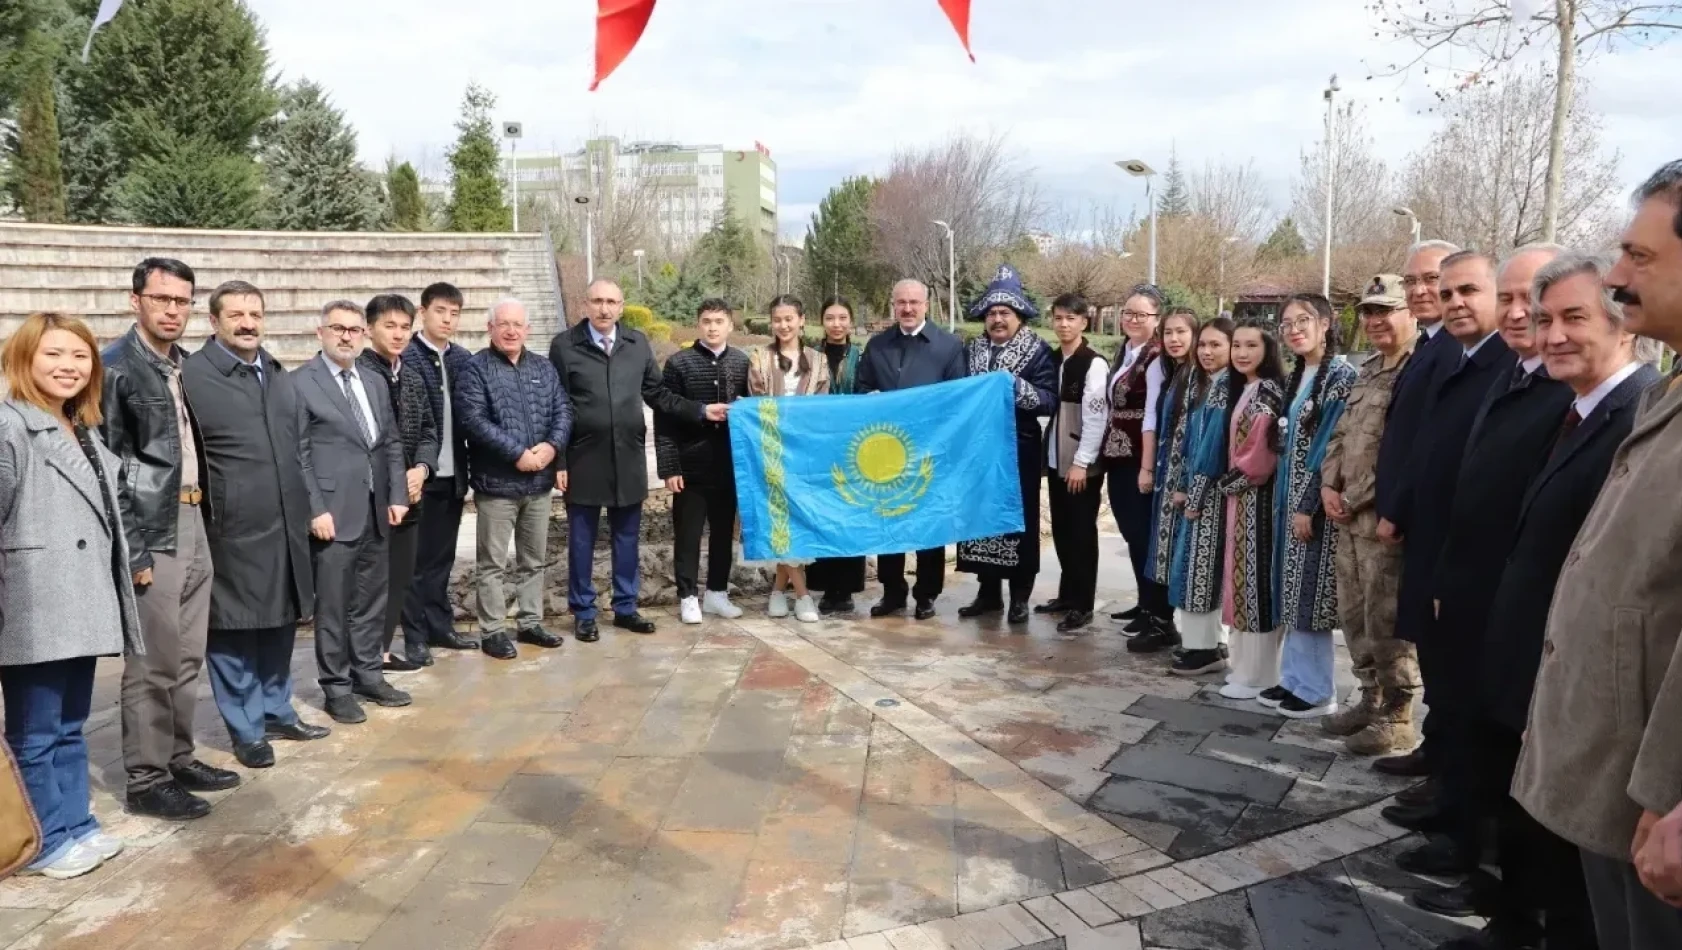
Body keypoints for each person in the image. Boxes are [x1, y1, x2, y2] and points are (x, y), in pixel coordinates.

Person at [1516, 162, 1682, 950]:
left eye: (1640, 258)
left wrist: (1673, 793)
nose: (1619, 276)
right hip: (1615, 784)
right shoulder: (1667, 398)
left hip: (1658, 812)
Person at [1405, 246, 1572, 904]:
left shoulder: (1565, 393)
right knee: (1470, 724)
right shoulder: (1516, 377)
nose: (1518, 311)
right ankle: (1466, 844)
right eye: (1508, 297)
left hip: (1514, 606)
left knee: (1500, 742)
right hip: (1470, 588)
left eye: (1530, 296)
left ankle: (1488, 872)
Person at [1382, 251, 1517, 851]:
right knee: (1444, 678)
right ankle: (1447, 787)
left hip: (1469, 562)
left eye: (1470, 290)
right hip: (1434, 539)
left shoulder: (1506, 365)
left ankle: (1464, 817)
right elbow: (1422, 441)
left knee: (1466, 692)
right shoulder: (1457, 356)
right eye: (1442, 287)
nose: (1450, 299)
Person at [0, 313, 142, 879]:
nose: (69, 367)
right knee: (34, 731)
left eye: (80, 356)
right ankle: (44, 839)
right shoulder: (11, 426)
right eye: (54, 355)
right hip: (34, 602)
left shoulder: (78, 425)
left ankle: (75, 821)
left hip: (77, 598)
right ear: (24, 358)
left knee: (67, 724)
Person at [99, 258, 238, 822]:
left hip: (192, 519)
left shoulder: (176, 366)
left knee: (186, 655)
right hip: (152, 529)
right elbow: (109, 468)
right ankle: (146, 777)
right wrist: (132, 548)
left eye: (182, 301)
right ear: (136, 300)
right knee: (153, 661)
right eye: (162, 299)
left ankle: (178, 757)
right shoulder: (115, 368)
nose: (173, 310)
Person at [183, 281, 324, 771]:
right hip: (231, 529)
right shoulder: (192, 376)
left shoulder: (277, 373)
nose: (248, 323)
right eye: (236, 314)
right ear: (214, 321)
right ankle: (245, 729)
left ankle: (277, 709)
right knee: (235, 631)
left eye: (255, 314)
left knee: (280, 624)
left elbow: (298, 446)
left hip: (285, 524)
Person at [550, 279, 707, 641]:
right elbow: (555, 405)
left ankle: (626, 607)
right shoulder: (564, 345)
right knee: (581, 541)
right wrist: (558, 460)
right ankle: (584, 611)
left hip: (628, 455)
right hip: (582, 456)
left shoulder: (636, 343)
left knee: (626, 539)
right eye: (598, 301)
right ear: (585, 305)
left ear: (622, 306)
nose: (604, 309)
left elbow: (657, 393)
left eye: (612, 302)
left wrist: (699, 410)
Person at [295, 300, 414, 725]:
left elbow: (391, 443)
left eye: (354, 329)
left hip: (375, 510)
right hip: (332, 514)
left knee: (370, 601)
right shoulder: (301, 383)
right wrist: (315, 509)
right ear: (320, 332)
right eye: (338, 328)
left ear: (364, 335)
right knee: (333, 605)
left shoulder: (373, 381)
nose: (346, 336)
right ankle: (337, 686)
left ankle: (368, 675)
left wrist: (396, 494)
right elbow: (300, 454)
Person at [1370, 239, 1461, 778]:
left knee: (1440, 647)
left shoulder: (1454, 347)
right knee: (1428, 643)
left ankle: (1444, 761)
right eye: (1416, 282)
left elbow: (1434, 442)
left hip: (1433, 519)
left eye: (1435, 281)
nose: (1424, 291)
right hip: (1413, 517)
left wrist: (1397, 507)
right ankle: (1436, 750)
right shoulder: (1435, 344)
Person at [1320, 275, 1422, 756]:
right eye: (1369, 312)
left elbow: (1407, 451)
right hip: (1348, 519)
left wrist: (1359, 496)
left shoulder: (1419, 369)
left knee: (1388, 618)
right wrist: (1328, 484)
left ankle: (1399, 715)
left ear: (1411, 313)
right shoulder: (1369, 370)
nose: (1376, 320)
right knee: (1354, 613)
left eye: (1387, 310)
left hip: (1383, 521)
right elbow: (1341, 436)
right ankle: (1370, 698)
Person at [459, 299, 574, 659]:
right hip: (497, 485)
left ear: (528, 329)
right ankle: (492, 630)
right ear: (490, 327)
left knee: (533, 559)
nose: (511, 331)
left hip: (538, 485)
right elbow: (474, 420)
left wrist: (552, 448)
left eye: (518, 324)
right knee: (492, 563)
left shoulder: (543, 367)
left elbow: (563, 410)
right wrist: (517, 454)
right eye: (504, 324)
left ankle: (530, 622)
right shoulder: (474, 368)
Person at [856, 278, 966, 620]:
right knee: (890, 523)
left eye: (913, 302)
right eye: (901, 302)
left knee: (929, 525)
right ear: (893, 304)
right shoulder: (877, 346)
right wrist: (868, 397)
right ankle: (892, 592)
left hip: (930, 452)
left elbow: (957, 398)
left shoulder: (948, 347)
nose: (907, 308)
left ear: (926, 305)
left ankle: (927, 594)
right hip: (887, 451)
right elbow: (862, 388)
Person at [1186, 320, 1285, 701]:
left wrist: (1224, 484)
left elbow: (1258, 461)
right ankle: (1244, 669)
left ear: (1268, 350)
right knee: (1240, 583)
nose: (1242, 353)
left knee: (1254, 584)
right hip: (1239, 502)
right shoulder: (1249, 388)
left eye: (1251, 346)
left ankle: (1258, 674)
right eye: (1238, 346)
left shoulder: (1268, 393)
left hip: (1256, 502)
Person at [955, 267, 1056, 625]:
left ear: (1019, 317)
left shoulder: (1039, 352)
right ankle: (988, 593)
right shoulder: (973, 349)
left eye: (1005, 313)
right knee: (981, 518)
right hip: (980, 450)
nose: (997, 319)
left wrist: (1012, 384)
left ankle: (1020, 596)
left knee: (1018, 520)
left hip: (1018, 451)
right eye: (992, 314)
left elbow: (1048, 400)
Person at [1272, 295, 1356, 720]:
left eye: (1303, 320)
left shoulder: (1341, 377)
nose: (1293, 330)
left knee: (1311, 594)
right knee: (1292, 591)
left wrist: (1308, 505)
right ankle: (1292, 678)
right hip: (1289, 501)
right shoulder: (1299, 375)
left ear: (1326, 324)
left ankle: (1317, 688)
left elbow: (1328, 448)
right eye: (1285, 323)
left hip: (1316, 505)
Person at [656, 298, 752, 625]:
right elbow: (664, 415)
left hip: (729, 464)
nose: (712, 327)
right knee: (688, 534)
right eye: (707, 321)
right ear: (699, 324)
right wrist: (669, 467)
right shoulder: (679, 363)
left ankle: (716, 593)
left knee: (724, 533)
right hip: (690, 465)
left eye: (719, 321)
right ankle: (687, 595)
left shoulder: (742, 362)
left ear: (730, 325)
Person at [358, 294, 440, 671]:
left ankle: (383, 650)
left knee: (400, 577)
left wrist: (421, 469)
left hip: (410, 494)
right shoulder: (357, 373)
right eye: (389, 326)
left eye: (405, 327)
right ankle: (361, 657)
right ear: (369, 328)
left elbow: (428, 431)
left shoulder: (411, 374)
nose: (398, 334)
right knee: (369, 581)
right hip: (369, 498)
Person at [401, 282, 479, 656]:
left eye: (454, 313)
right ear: (423, 312)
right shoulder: (407, 356)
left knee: (441, 559)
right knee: (414, 561)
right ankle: (414, 635)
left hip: (453, 477)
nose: (448, 320)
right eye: (440, 312)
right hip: (418, 478)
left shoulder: (463, 358)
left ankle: (439, 627)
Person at [746, 295, 833, 622]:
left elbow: (822, 409)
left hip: (807, 454)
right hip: (772, 452)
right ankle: (804, 596)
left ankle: (777, 592)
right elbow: (757, 406)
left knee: (798, 522)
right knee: (781, 522)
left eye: (789, 319)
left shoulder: (818, 360)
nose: (783, 325)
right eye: (777, 320)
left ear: (801, 320)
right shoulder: (760, 358)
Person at [1100, 285, 1173, 646]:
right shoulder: (1126, 350)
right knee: (1131, 534)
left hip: (1138, 459)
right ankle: (1144, 602)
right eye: (1127, 312)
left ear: (1156, 320)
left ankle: (1156, 611)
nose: (1131, 319)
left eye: (1140, 315)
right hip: (1116, 456)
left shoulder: (1156, 357)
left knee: (1145, 535)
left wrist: (1147, 467)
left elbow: (1152, 414)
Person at [1166, 317, 1235, 677]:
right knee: (1200, 570)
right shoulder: (1212, 384)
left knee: (1199, 571)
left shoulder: (1223, 390)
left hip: (1209, 496)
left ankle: (1203, 649)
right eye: (1203, 345)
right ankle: (1206, 643)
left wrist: (1193, 496)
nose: (1206, 352)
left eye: (1216, 345)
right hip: (1205, 491)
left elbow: (1210, 451)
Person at [1040, 293, 1111, 633]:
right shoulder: (1053, 359)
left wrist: (1082, 461)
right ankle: (1067, 595)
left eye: (1071, 318)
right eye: (1058, 318)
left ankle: (1082, 604)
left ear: (1084, 322)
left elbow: (1096, 419)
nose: (1064, 324)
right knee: (1063, 531)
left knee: (1082, 533)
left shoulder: (1093, 363)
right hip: (1056, 462)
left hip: (1080, 464)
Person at [1139, 307, 1199, 642]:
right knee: (1163, 548)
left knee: (1178, 551)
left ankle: (1175, 628)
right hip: (1167, 472)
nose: (1174, 340)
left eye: (1182, 332)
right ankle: (1161, 621)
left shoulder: (1197, 375)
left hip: (1183, 477)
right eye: (1168, 333)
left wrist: (1186, 481)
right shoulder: (1176, 372)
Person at [806, 296, 867, 614]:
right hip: (818, 448)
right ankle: (827, 588)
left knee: (850, 516)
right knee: (823, 517)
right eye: (830, 317)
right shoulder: (809, 356)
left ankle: (847, 588)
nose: (837, 324)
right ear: (822, 321)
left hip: (853, 448)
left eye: (843, 317)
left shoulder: (862, 355)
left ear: (850, 322)